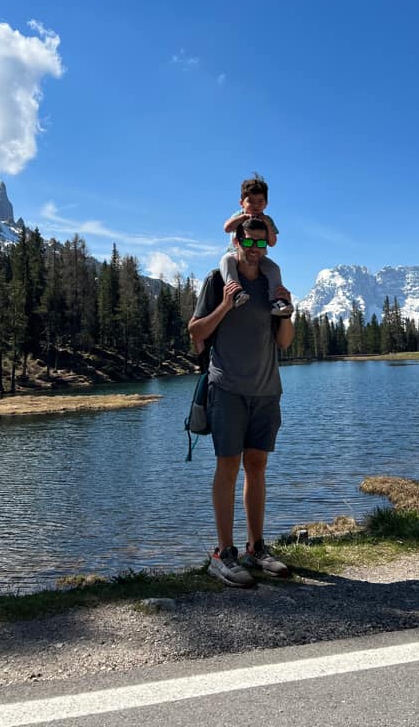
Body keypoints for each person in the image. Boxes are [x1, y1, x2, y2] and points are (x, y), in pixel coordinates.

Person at [189, 215, 295, 587]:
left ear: (267, 244)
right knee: (228, 466)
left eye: (259, 243)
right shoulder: (217, 280)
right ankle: (223, 554)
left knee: (257, 466)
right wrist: (225, 305)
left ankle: (256, 548)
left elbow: (284, 343)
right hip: (228, 389)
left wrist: (287, 311)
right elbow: (196, 331)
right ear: (236, 243)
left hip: (266, 390)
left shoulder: (271, 281)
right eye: (247, 243)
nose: (253, 250)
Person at [221, 173, 293, 318]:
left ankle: (277, 300)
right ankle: (236, 292)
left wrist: (267, 224)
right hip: (236, 253)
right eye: (251, 201)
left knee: (274, 268)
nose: (255, 205)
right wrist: (241, 218)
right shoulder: (239, 214)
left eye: (260, 201)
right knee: (226, 261)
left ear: (266, 204)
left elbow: (272, 243)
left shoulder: (268, 220)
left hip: (259, 256)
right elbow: (227, 228)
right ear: (242, 203)